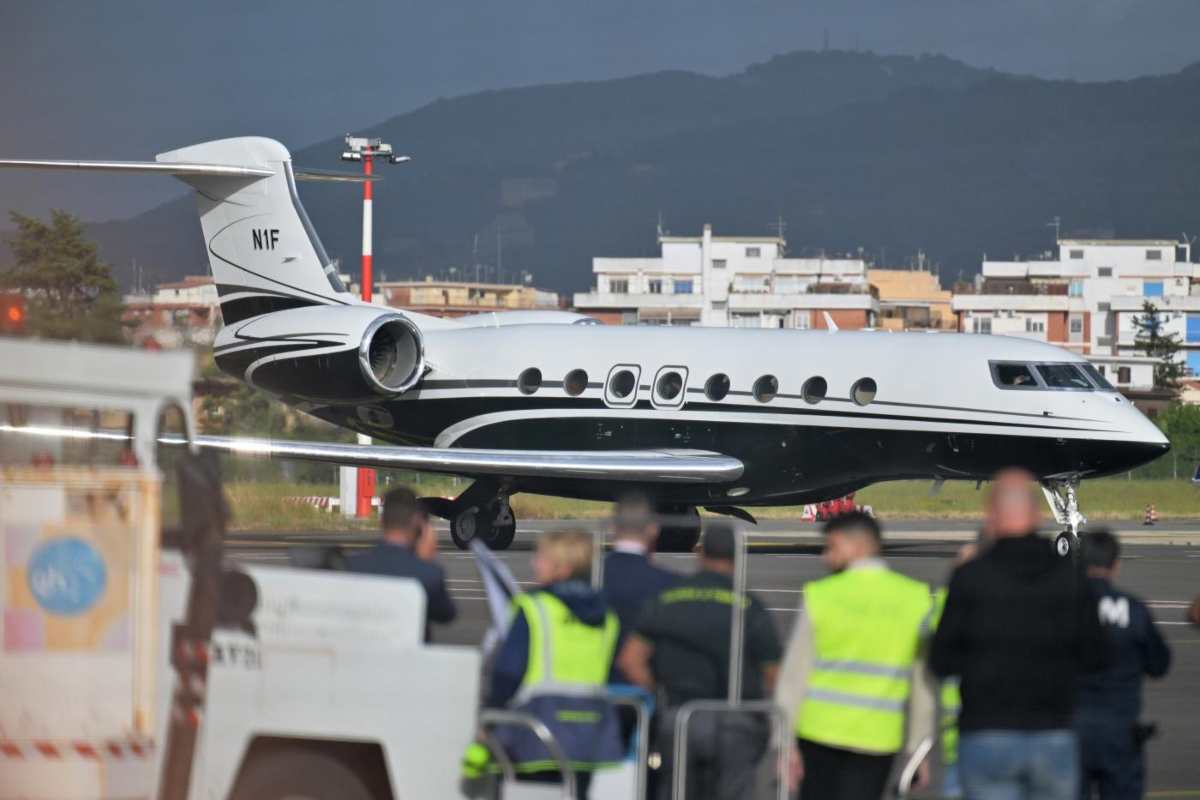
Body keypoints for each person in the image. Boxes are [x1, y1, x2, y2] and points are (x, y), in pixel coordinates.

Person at [931, 468, 1108, 800]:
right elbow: (1096, 656)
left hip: (986, 733)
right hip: (1053, 734)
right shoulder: (1069, 579)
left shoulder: (969, 576)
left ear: (991, 516)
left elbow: (941, 660)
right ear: (1038, 516)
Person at [775, 511, 936, 800]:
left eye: (832, 547)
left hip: (819, 733)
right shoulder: (916, 598)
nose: (826, 557)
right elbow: (923, 685)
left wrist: (784, 744)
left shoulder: (821, 594)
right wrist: (919, 748)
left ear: (857, 547)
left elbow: (793, 678)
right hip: (877, 739)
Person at [618, 523, 782, 800]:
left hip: (681, 718)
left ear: (700, 553)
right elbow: (773, 674)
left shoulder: (667, 599)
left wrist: (659, 691)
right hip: (735, 721)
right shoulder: (750, 607)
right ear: (736, 557)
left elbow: (630, 660)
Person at [487, 530, 623, 798]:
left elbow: (508, 673)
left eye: (542, 558)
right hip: (589, 736)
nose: (534, 564)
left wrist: (488, 719)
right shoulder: (606, 616)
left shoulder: (534, 608)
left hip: (538, 732)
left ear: (563, 567)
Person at [1076, 530, 1171, 800]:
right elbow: (1159, 665)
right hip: (1120, 735)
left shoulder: (1060, 608)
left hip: (1070, 733)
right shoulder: (1133, 609)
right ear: (1116, 564)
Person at [346, 486, 456, 641]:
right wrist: (425, 561)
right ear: (417, 524)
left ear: (382, 521)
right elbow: (446, 615)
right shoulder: (429, 575)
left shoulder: (349, 567)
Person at [602, 492, 681, 662]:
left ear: (612, 526)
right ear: (654, 529)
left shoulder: (588, 577)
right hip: (643, 681)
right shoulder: (670, 585)